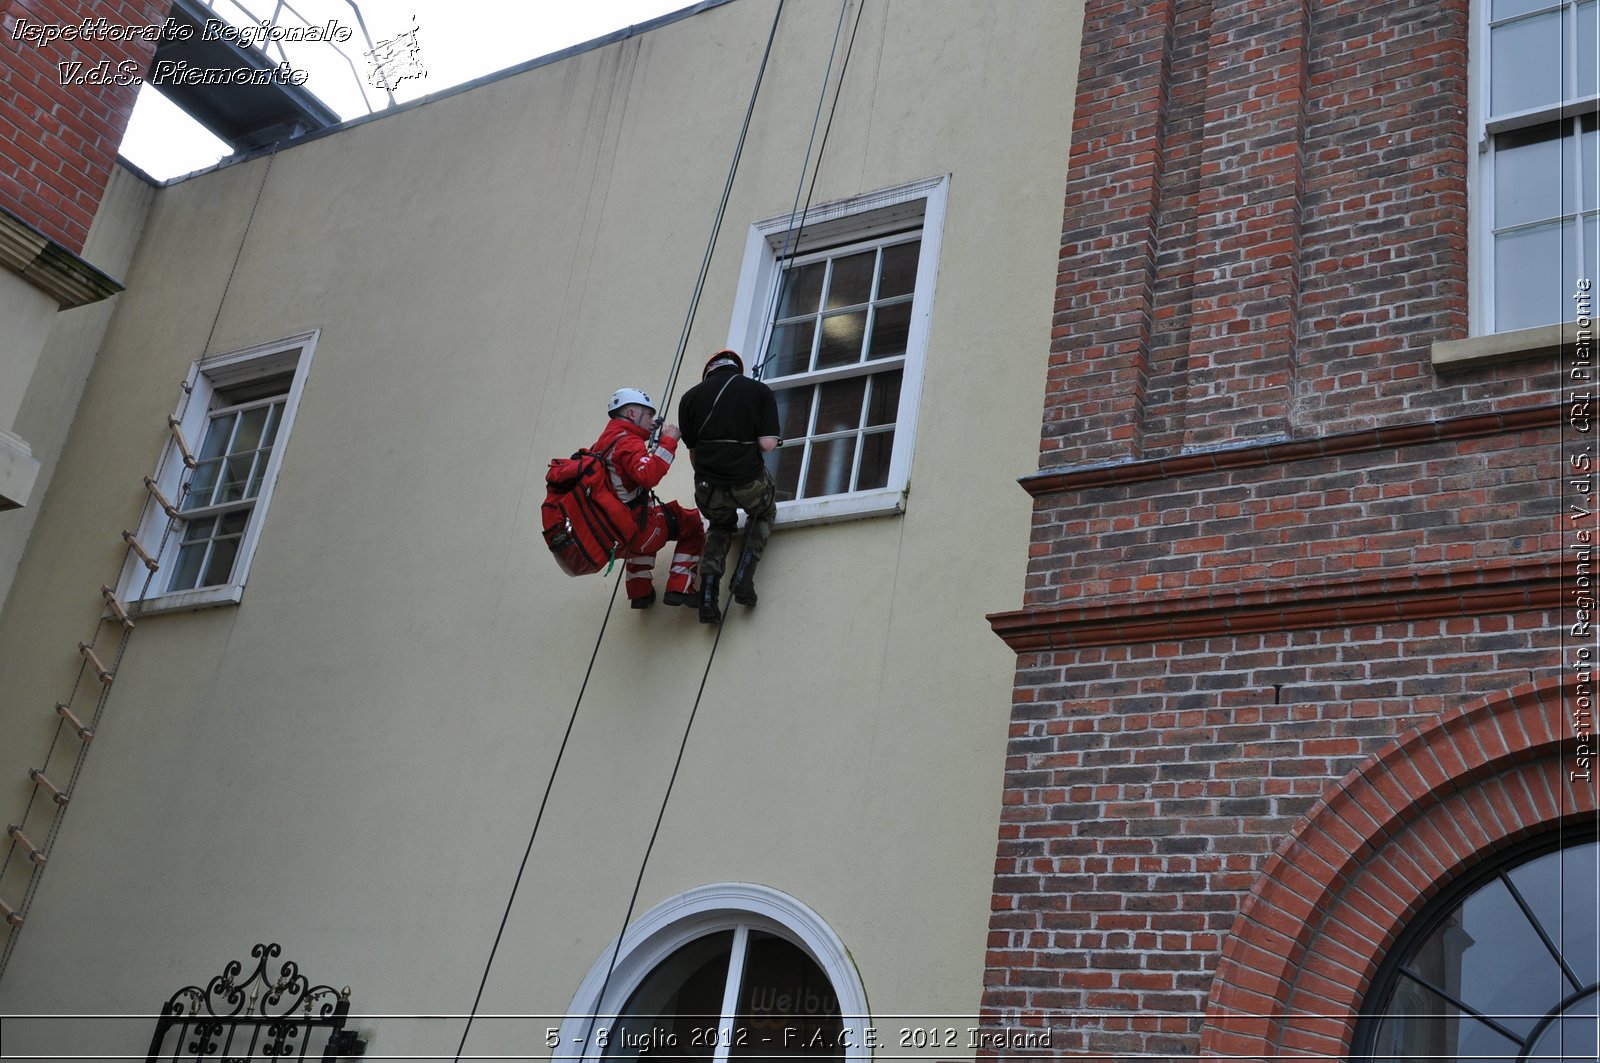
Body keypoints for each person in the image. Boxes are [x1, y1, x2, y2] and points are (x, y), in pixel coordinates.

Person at [677, 349, 780, 624]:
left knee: (720, 525)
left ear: (708, 371)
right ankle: (743, 575)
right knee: (763, 513)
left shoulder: (689, 398)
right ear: (737, 369)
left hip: (708, 486)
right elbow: (767, 445)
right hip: (748, 481)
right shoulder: (758, 390)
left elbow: (694, 453)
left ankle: (708, 595)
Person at [594, 387, 705, 609]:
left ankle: (640, 593)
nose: (651, 419)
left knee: (645, 534)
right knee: (690, 522)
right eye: (649, 414)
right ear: (633, 414)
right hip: (641, 532)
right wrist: (669, 441)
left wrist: (646, 434)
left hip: (619, 536)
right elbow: (648, 475)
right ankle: (680, 586)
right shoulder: (627, 442)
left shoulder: (604, 443)